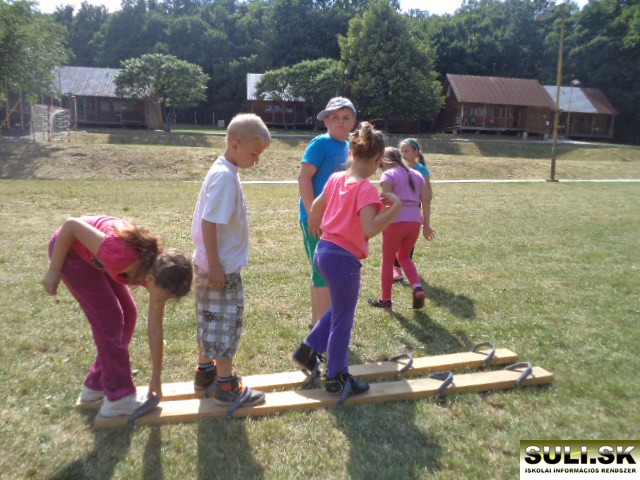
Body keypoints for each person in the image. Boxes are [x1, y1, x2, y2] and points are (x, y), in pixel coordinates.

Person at [42, 216, 193, 417]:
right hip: (69, 251)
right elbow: (71, 226)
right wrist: (53, 271)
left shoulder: (158, 270)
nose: (160, 302)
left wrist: (156, 378)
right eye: (162, 297)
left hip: (96, 258)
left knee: (129, 314)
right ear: (149, 279)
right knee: (110, 320)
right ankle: (119, 398)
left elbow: (155, 329)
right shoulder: (120, 254)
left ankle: (95, 387)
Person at [292, 122, 401, 395]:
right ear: (378, 159)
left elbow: (316, 208)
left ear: (351, 152)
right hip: (344, 260)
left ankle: (308, 349)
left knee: (340, 307)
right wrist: (395, 208)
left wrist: (317, 224)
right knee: (343, 318)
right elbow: (370, 229)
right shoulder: (366, 189)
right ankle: (337, 376)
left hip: (324, 251)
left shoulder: (336, 179)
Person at [191, 113, 271, 406]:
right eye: (254, 154)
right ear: (235, 145)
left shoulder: (224, 170)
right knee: (224, 323)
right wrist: (216, 266)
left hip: (210, 263)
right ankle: (225, 385)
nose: (256, 161)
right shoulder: (225, 177)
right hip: (219, 268)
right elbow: (209, 222)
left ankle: (205, 373)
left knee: (209, 319)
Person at [298, 97, 357, 327]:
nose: (340, 122)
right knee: (322, 271)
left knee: (327, 271)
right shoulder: (320, 144)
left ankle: (319, 323)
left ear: (353, 122)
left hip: (336, 222)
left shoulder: (350, 147)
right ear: (326, 122)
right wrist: (313, 213)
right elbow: (304, 178)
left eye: (345, 118)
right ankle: (321, 328)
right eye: (335, 117)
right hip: (316, 219)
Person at [368, 147, 436, 311]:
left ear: (386, 161)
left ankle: (386, 301)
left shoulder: (389, 175)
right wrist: (426, 224)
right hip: (414, 222)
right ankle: (417, 287)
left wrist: (375, 221)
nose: (381, 169)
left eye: (381, 165)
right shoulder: (417, 175)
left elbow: (386, 202)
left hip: (395, 222)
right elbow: (426, 201)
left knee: (388, 260)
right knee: (404, 257)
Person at [392, 138, 435, 283]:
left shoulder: (422, 171)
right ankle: (396, 267)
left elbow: (426, 198)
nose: (403, 154)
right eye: (402, 151)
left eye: (407, 151)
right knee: (395, 239)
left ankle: (401, 266)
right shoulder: (397, 168)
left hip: (413, 210)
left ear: (416, 153)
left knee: (408, 240)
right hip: (397, 209)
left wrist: (426, 223)